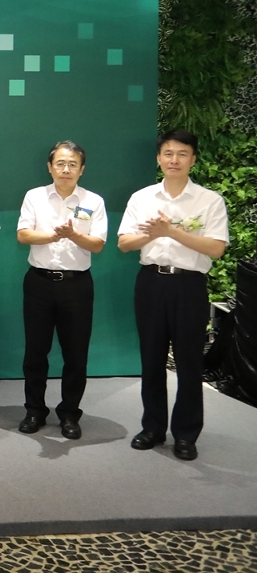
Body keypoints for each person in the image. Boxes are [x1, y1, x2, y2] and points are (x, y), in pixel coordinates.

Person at [117, 129, 228, 461]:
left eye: (182, 154)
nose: (174, 160)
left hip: (189, 286)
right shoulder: (142, 198)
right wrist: (152, 234)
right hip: (151, 282)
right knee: (151, 359)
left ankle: (186, 434)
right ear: (159, 158)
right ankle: (152, 427)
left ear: (193, 159)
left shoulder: (209, 200)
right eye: (168, 153)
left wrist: (171, 232)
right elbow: (124, 243)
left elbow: (216, 248)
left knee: (189, 361)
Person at [16, 141, 107, 440]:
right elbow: (23, 235)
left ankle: (69, 414)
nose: (66, 169)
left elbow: (98, 244)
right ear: (50, 167)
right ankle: (34, 410)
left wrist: (73, 235)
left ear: (82, 169)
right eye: (60, 163)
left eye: (72, 164)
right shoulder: (35, 196)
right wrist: (54, 236)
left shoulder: (93, 201)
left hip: (76, 285)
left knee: (76, 355)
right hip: (39, 283)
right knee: (35, 352)